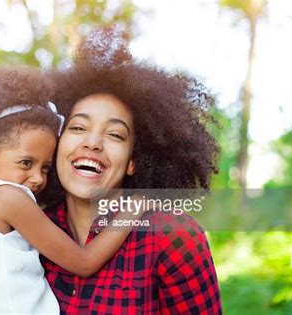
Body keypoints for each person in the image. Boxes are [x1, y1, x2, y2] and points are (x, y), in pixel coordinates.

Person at [41, 27, 223, 314]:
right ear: (56, 143)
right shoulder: (30, 228)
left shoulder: (172, 236)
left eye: (114, 135)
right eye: (77, 128)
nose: (92, 142)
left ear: (133, 161)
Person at [0, 66, 139, 314]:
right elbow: (83, 263)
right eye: (26, 163)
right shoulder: (9, 198)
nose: (38, 178)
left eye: (46, 168)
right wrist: (132, 212)